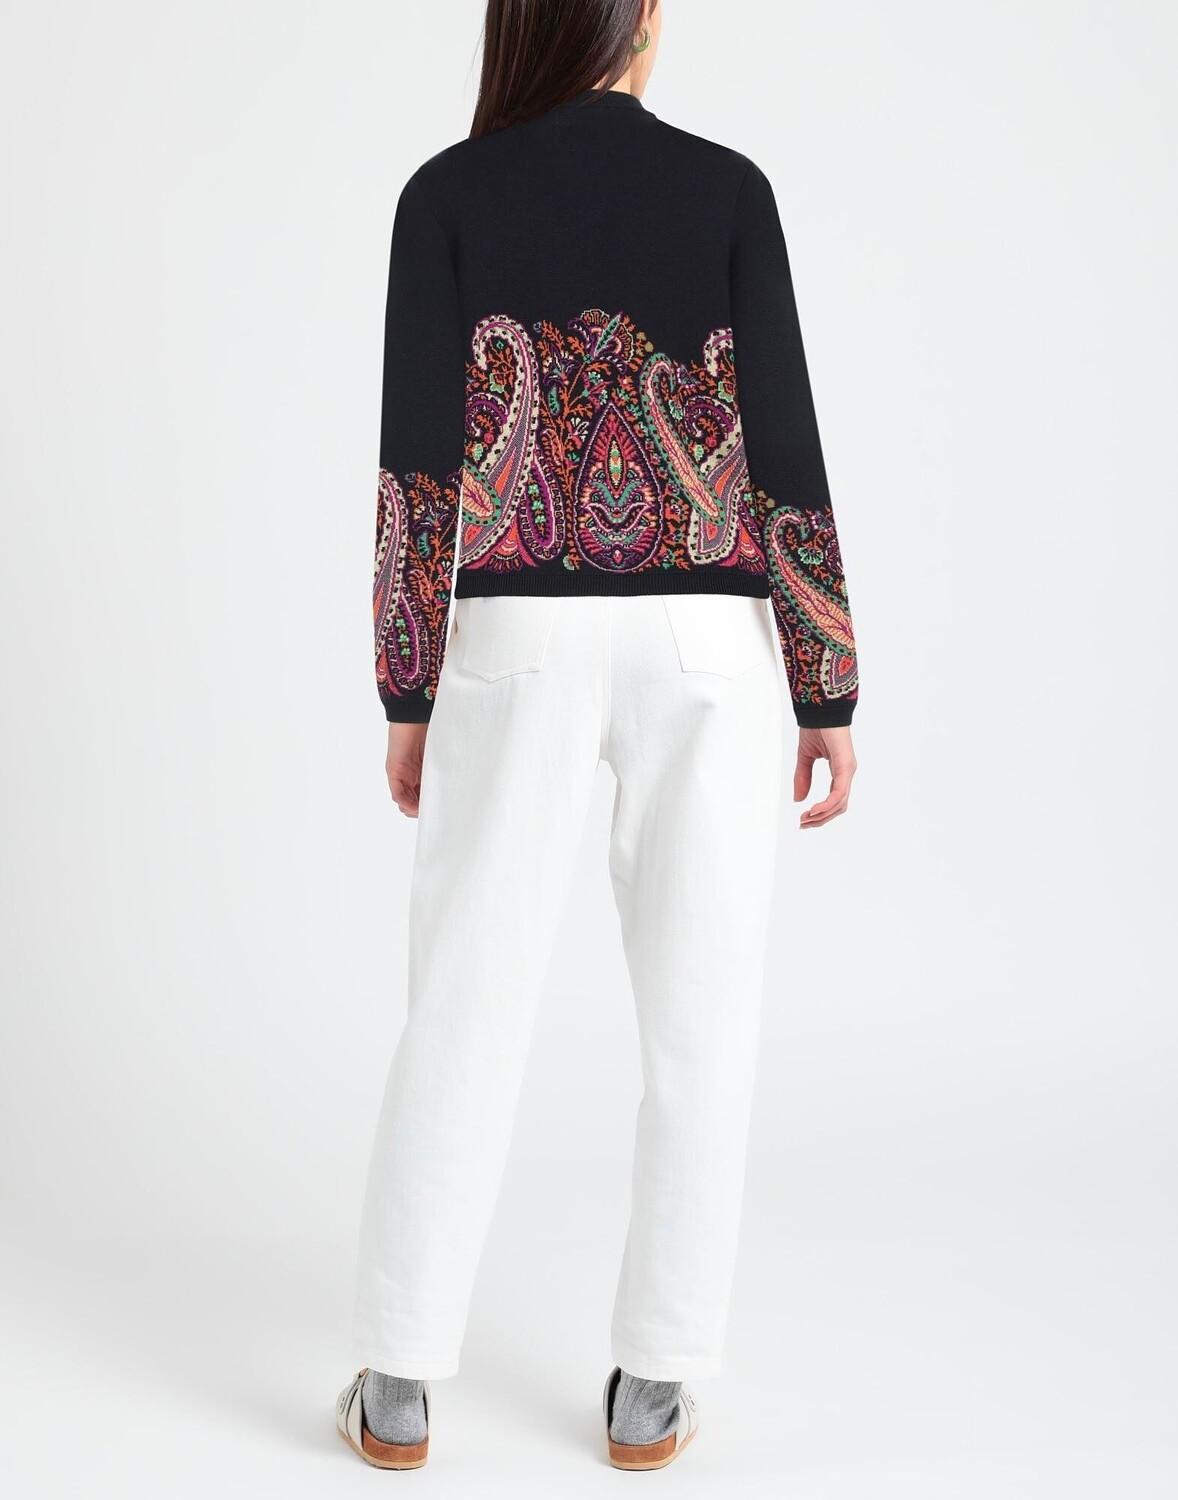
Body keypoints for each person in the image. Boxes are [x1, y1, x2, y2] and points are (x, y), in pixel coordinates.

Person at [336, 0, 859, 1472]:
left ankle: (399, 1380)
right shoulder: (728, 189)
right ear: (631, 19)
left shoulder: (446, 193)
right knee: (702, 1016)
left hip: (514, 631)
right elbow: (785, 441)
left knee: (464, 997)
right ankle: (656, 1382)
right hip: (707, 640)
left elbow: (416, 462)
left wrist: (406, 688)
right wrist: (824, 681)